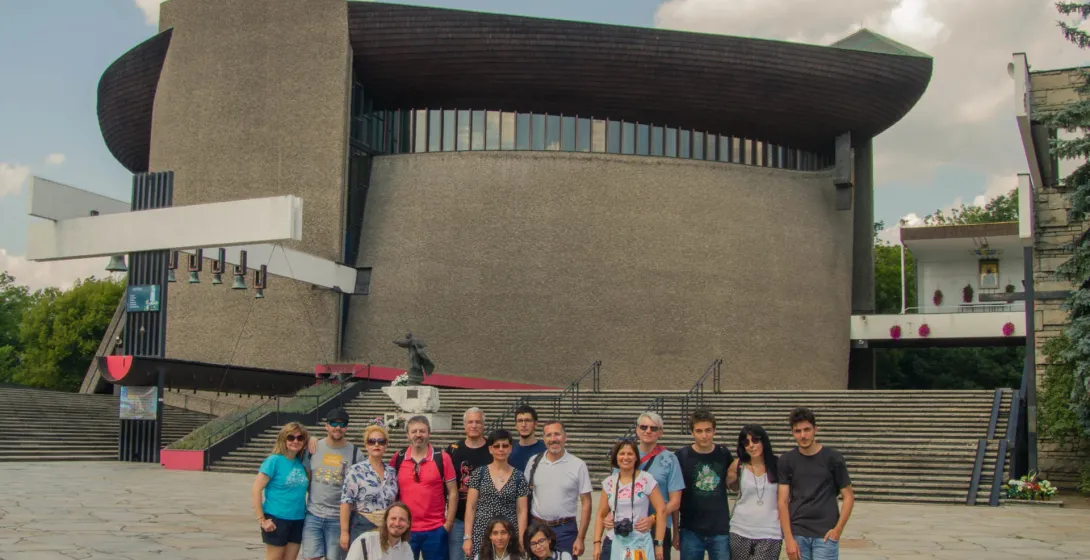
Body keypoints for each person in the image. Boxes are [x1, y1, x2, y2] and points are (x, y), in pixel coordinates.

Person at [777, 407, 854, 560]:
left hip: (825, 533)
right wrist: (789, 538)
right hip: (798, 532)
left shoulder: (833, 458)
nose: (803, 435)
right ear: (793, 433)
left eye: (807, 430)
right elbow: (782, 501)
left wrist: (837, 530)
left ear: (815, 430)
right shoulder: (787, 460)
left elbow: (848, 497)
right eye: (798, 431)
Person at [604, 413, 683, 560]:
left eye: (653, 428)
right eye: (644, 427)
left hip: (656, 527)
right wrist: (608, 515)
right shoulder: (625, 456)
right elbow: (612, 490)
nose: (648, 431)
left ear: (661, 432)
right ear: (637, 430)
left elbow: (675, 501)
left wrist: (653, 518)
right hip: (625, 528)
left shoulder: (670, 459)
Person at [390, 415, 458, 560]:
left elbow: (453, 491)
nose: (418, 435)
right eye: (414, 431)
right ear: (407, 435)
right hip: (405, 528)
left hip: (436, 529)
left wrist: (449, 523)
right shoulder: (398, 458)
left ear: (429, 433)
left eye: (422, 431)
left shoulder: (442, 458)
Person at [525, 421, 593, 557]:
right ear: (544, 439)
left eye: (557, 434)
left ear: (565, 437)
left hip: (565, 530)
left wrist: (580, 538)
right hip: (538, 528)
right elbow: (523, 497)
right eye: (549, 435)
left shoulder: (578, 465)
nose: (553, 439)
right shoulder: (533, 462)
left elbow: (587, 503)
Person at [593, 440, 667, 560]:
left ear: (636, 457)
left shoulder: (646, 479)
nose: (625, 457)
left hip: (640, 541)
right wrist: (596, 543)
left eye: (630, 454)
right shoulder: (609, 482)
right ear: (616, 457)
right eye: (622, 454)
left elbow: (661, 510)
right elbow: (601, 514)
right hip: (614, 540)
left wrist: (659, 543)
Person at [674, 410, 732, 560]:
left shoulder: (724, 454)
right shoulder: (681, 456)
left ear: (714, 431)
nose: (704, 435)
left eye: (708, 430)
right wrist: (675, 530)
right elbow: (675, 496)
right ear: (692, 432)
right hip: (690, 529)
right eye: (699, 431)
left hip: (720, 529)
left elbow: (733, 485)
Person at [463, 430, 530, 558]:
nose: (501, 449)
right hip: (482, 532)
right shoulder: (479, 474)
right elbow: (471, 507)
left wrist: (521, 538)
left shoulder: (519, 477)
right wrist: (467, 537)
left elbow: (522, 510)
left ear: (510, 448)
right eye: (496, 446)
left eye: (505, 446)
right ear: (490, 449)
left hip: (508, 533)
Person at [305, 408, 361, 560]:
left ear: (346, 427)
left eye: (342, 424)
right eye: (333, 423)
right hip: (313, 515)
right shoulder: (313, 448)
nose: (338, 427)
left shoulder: (356, 454)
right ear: (326, 426)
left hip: (338, 519)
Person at [252, 422, 311, 560]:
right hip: (276, 519)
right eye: (291, 437)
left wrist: (312, 440)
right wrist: (262, 519)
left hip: (297, 519)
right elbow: (256, 489)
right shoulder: (274, 460)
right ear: (283, 439)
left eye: (300, 438)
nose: (295, 441)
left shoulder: (301, 463)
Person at [342, 423, 400, 551]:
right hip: (362, 524)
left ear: (386, 445)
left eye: (381, 441)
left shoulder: (392, 472)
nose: (376, 445)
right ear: (366, 445)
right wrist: (344, 533)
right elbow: (346, 503)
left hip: (386, 528)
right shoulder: (356, 471)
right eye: (372, 441)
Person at [727, 425, 782, 560]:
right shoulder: (738, 465)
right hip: (739, 529)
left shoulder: (778, 465)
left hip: (770, 531)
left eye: (755, 440)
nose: (751, 445)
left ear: (763, 441)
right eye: (746, 443)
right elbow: (729, 486)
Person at [448, 408, 494, 560]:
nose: (474, 425)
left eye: (478, 422)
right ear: (464, 425)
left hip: (487, 518)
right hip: (459, 518)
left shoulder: (492, 449)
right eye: (470, 422)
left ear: (484, 425)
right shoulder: (453, 449)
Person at [346, 501, 414, 560]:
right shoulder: (366, 541)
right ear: (386, 520)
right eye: (393, 518)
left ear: (408, 524)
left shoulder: (406, 549)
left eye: (402, 519)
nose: (397, 523)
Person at [509, 405, 546, 472]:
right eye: (520, 421)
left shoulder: (545, 451)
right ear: (516, 425)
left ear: (535, 424)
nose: (523, 425)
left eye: (528, 420)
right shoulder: (508, 451)